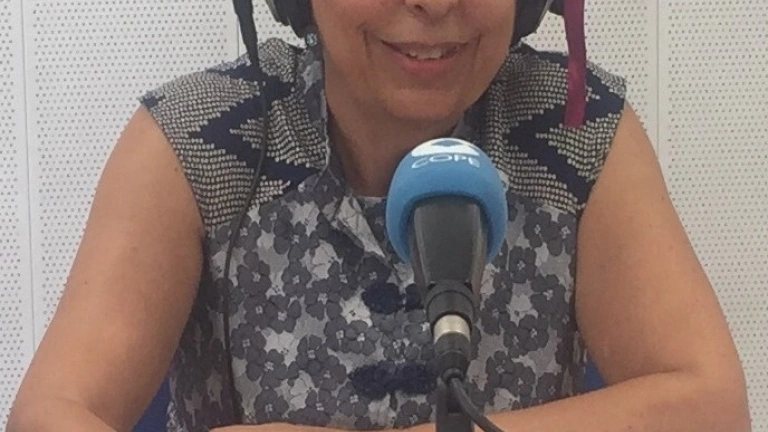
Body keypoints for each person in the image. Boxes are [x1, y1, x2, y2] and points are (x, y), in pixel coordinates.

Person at [8, 0, 752, 431]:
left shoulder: (576, 132)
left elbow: (709, 407)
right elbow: (51, 415)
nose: (433, 2)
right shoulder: (197, 139)